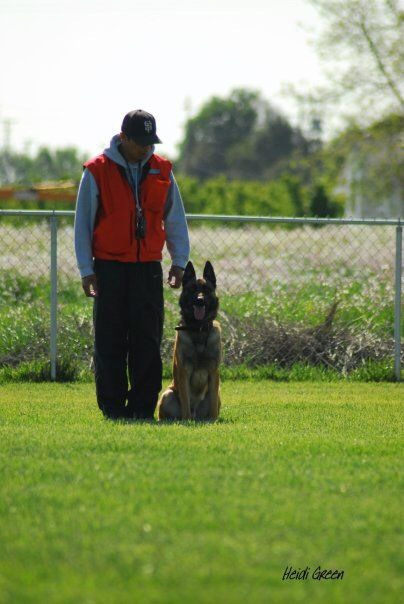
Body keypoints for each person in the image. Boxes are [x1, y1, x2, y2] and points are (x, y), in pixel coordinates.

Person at [74, 109, 190, 420]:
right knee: (110, 340)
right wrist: (86, 270)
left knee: (147, 341)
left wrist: (179, 261)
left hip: (148, 269)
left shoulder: (162, 170)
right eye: (140, 142)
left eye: (150, 142)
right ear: (123, 138)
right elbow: (83, 224)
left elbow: (175, 218)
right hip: (109, 269)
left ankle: (141, 408)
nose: (146, 148)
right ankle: (113, 408)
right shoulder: (97, 170)